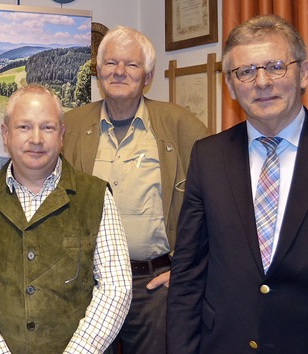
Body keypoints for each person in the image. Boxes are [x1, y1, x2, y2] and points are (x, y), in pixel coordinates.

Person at [167, 15, 308, 353]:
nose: (262, 82)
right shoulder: (208, 156)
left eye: (276, 66)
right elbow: (188, 274)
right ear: (230, 85)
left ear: (304, 73)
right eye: (246, 71)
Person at [0, 84, 133, 353]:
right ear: (5, 134)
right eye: (24, 127)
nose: (36, 138)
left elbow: (116, 288)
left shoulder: (97, 197)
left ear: (61, 135)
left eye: (47, 127)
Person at [62, 26, 208, 353]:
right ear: (98, 71)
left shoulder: (182, 126)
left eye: (131, 64)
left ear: (149, 75)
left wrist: (184, 270)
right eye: (110, 63)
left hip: (154, 288)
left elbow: (215, 210)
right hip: (88, 286)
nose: (119, 72)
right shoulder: (69, 126)